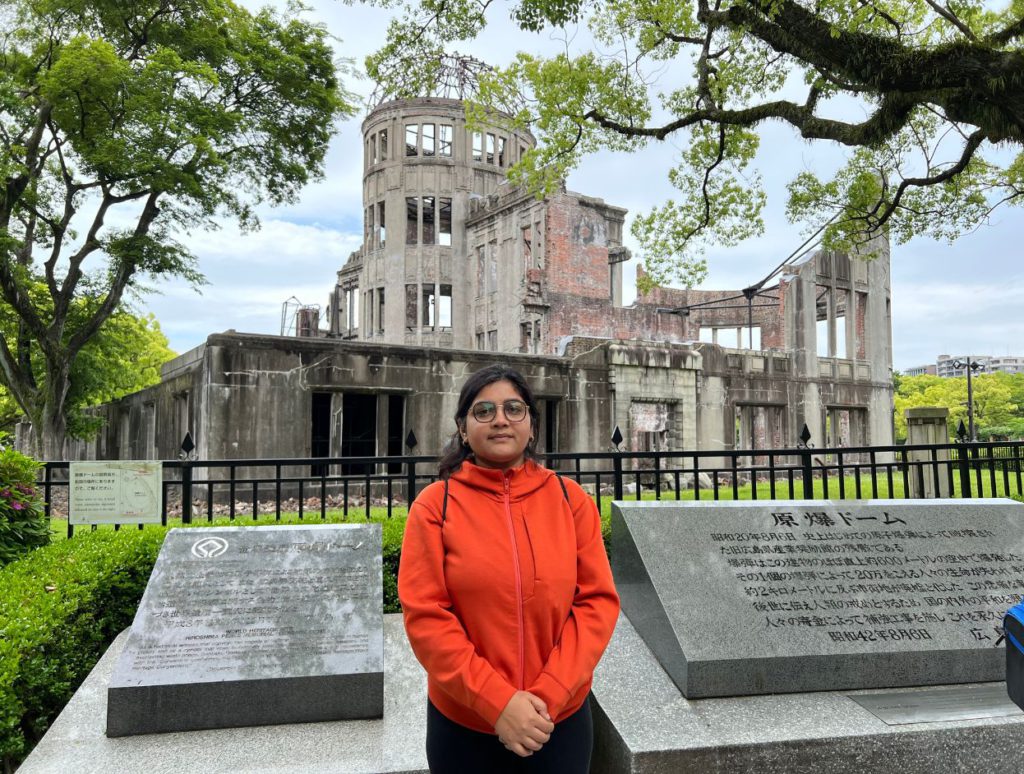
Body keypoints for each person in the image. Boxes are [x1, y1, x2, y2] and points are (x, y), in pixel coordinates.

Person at [398, 364, 620, 773]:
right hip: (464, 723)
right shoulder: (435, 506)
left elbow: (596, 604)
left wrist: (546, 697)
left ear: (531, 426)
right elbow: (427, 617)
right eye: (484, 411)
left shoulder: (570, 501)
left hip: (556, 721)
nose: (500, 419)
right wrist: (497, 703)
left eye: (513, 409)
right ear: (464, 429)